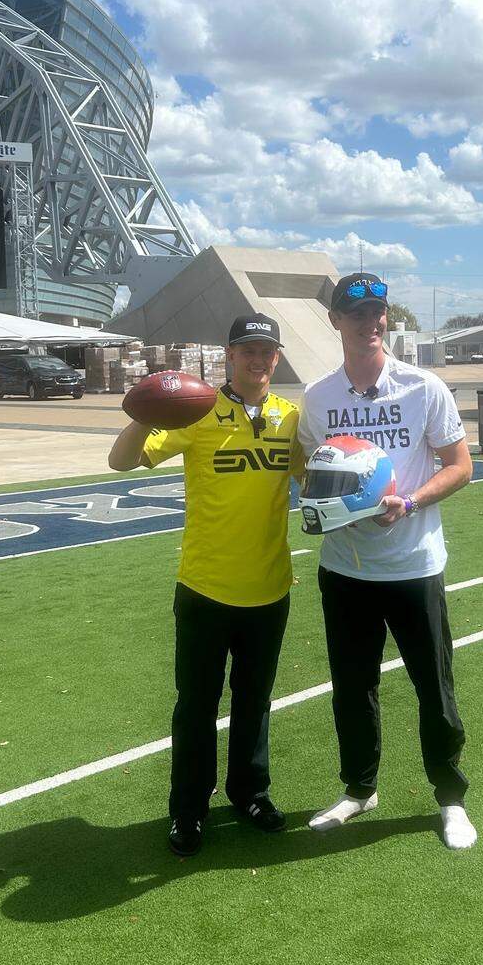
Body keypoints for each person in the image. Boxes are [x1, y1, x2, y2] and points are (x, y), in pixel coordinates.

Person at [108, 315, 304, 858]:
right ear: (229, 354)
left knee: (254, 701)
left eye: (267, 351)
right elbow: (120, 462)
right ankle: (188, 810)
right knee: (195, 706)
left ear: (276, 357)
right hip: (204, 588)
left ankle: (250, 794)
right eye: (248, 350)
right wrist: (142, 413)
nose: (258, 360)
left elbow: (317, 477)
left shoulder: (291, 418)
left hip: (269, 588)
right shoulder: (195, 412)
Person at [298, 273, 477, 850]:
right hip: (346, 569)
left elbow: (461, 465)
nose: (371, 323)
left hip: (413, 565)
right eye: (357, 314)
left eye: (378, 313)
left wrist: (413, 502)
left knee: (434, 687)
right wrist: (330, 502)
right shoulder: (320, 398)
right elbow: (311, 468)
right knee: (353, 688)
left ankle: (450, 797)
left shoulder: (424, 388)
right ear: (337, 322)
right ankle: (359, 789)